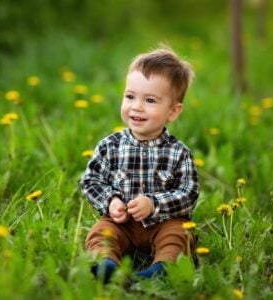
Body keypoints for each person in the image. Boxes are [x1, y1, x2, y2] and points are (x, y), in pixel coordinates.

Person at [80, 45, 199, 284]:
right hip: (120, 222)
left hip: (162, 222)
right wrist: (110, 200)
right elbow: (91, 181)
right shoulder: (110, 145)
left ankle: (161, 270)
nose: (137, 106)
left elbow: (188, 193)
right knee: (101, 233)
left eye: (150, 100)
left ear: (173, 112)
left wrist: (154, 204)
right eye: (130, 96)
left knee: (180, 234)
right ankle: (106, 264)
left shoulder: (178, 152)